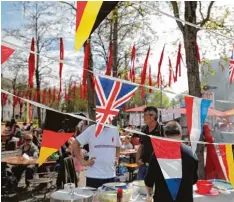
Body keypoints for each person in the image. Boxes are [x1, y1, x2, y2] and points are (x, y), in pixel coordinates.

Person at [144, 121, 198, 202]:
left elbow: (149, 183)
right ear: (181, 134)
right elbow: (194, 180)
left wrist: (149, 196)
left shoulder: (156, 155)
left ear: (164, 135)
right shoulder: (191, 153)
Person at [71, 124, 121, 188]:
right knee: (95, 198)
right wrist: (82, 161)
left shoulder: (114, 130)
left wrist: (117, 158)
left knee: (109, 198)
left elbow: (118, 146)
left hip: (111, 175)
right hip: (94, 176)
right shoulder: (92, 129)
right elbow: (75, 144)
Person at [136, 106, 163, 180]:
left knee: (154, 190)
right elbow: (141, 146)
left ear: (152, 116)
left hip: (156, 167)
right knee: (140, 189)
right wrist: (137, 160)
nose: (143, 117)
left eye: (145, 115)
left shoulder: (162, 130)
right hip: (143, 166)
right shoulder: (144, 129)